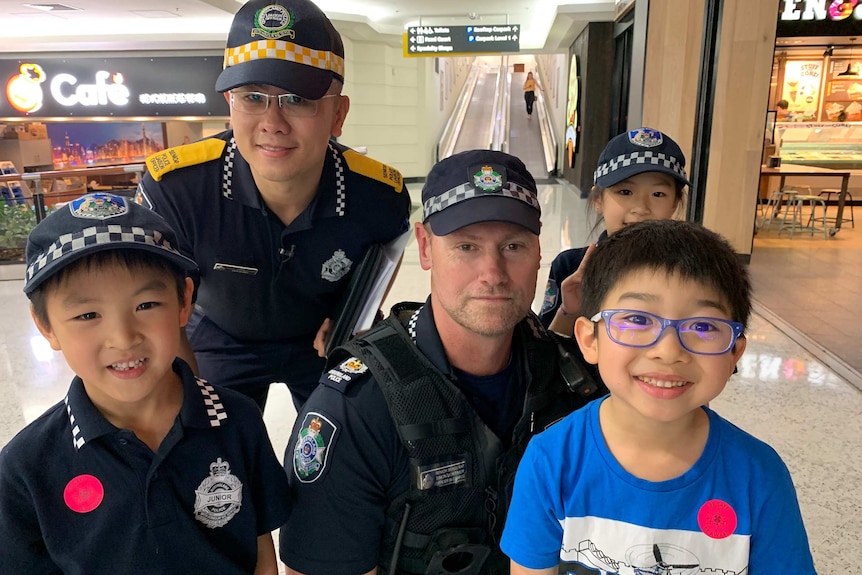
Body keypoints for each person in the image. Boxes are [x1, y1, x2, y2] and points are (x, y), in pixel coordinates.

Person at [279, 150, 604, 575]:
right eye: (466, 246)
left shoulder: (571, 381)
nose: (493, 272)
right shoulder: (355, 408)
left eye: (513, 245)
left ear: (539, 251)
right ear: (425, 247)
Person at [136, 0, 411, 410]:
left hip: (318, 338)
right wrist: (192, 402)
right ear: (230, 102)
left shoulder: (377, 195)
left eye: (298, 99)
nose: (273, 123)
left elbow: (386, 256)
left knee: (347, 442)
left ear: (338, 114)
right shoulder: (179, 188)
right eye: (252, 97)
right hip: (220, 334)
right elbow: (157, 298)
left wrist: (355, 318)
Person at [501, 219, 815, 574]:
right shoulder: (552, 461)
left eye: (703, 326)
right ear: (589, 340)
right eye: (636, 319)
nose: (668, 351)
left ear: (734, 354)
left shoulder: (758, 476)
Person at [0, 193, 290, 574]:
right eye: (88, 314)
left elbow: (259, 550)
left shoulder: (237, 419)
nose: (122, 337)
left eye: (146, 306)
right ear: (46, 327)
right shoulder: (27, 466)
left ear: (184, 301)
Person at [539, 127, 688, 337]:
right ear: (598, 199)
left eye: (658, 193)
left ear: (674, 203)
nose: (641, 207)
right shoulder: (570, 267)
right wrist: (570, 312)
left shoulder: (695, 271)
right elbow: (544, 356)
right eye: (625, 192)